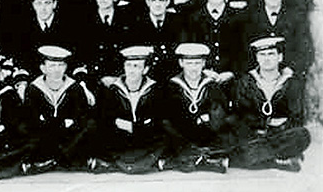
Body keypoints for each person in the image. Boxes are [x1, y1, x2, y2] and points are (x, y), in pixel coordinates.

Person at [231, 37, 311, 171]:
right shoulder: (245, 82)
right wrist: (266, 123)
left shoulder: (291, 83)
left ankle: (257, 157)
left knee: (302, 135)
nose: (266, 59)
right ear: (256, 58)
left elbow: (296, 116)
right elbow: (241, 113)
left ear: (280, 57)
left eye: (271, 54)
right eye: (262, 55)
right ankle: (276, 160)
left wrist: (279, 127)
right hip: (254, 134)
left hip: (280, 134)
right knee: (233, 137)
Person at [21, 45, 96, 173]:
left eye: (61, 65)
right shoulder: (33, 89)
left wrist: (57, 123)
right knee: (26, 130)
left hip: (69, 136)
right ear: (43, 68)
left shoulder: (74, 88)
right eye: (52, 66)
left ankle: (58, 158)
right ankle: (57, 159)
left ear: (66, 67)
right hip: (44, 134)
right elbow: (31, 118)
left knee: (90, 125)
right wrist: (60, 123)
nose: (57, 70)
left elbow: (80, 116)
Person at [160, 43, 233, 173]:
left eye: (197, 63)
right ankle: (204, 159)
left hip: (206, 133)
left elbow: (218, 114)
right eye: (189, 63)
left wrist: (204, 119)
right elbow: (170, 116)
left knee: (228, 137)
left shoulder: (212, 86)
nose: (193, 68)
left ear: (203, 63)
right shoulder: (172, 87)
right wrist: (197, 118)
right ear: (181, 63)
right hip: (181, 135)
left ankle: (190, 159)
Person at [97, 45, 164, 174]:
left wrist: (132, 126)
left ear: (145, 70)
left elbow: (157, 120)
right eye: (128, 65)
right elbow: (107, 119)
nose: (131, 71)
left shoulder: (155, 90)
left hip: (145, 139)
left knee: (162, 134)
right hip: (122, 140)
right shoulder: (113, 90)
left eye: (137, 66)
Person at [246, 0, 312, 76]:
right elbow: (245, 49)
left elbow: (304, 49)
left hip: (288, 75)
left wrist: (291, 69)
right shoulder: (251, 17)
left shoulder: (295, 17)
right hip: (258, 75)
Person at [186, 0, 248, 77]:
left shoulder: (237, 18)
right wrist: (204, 71)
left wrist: (232, 72)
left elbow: (242, 51)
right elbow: (190, 50)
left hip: (232, 77)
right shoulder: (194, 18)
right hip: (202, 75)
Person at [129, 0, 187, 83]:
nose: (158, 4)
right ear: (147, 2)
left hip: (174, 76)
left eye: (161, 0)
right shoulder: (137, 25)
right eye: (153, 0)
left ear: (168, 2)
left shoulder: (178, 22)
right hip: (147, 77)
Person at [17, 0, 77, 77]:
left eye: (47, 3)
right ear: (33, 5)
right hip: (33, 78)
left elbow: (72, 59)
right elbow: (23, 58)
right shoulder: (24, 27)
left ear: (54, 4)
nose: (43, 8)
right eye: (39, 3)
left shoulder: (68, 26)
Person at [84, 0, 135, 82]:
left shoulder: (127, 20)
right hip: (92, 77)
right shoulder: (85, 20)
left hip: (121, 77)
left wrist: (117, 77)